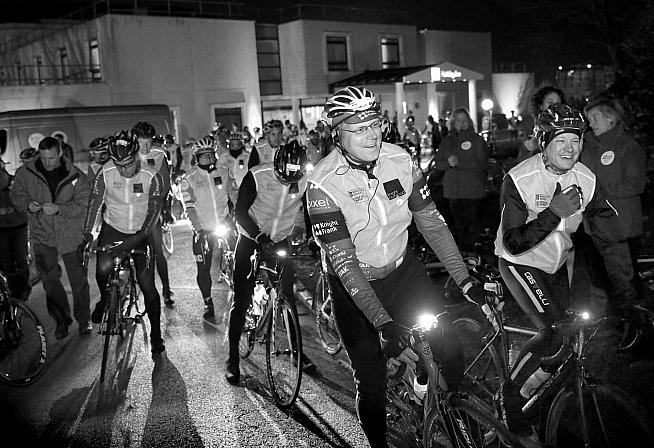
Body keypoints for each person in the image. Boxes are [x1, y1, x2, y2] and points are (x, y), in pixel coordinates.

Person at [308, 86, 485, 448]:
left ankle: (453, 418)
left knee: (449, 347)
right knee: (371, 381)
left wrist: (465, 280)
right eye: (359, 129)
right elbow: (345, 263)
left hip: (404, 272)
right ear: (337, 134)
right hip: (354, 284)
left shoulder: (400, 160)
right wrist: (382, 322)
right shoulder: (323, 184)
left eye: (375, 124)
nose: (372, 135)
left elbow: (432, 224)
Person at [494, 104, 641, 445]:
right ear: (544, 141)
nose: (569, 148)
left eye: (575, 140)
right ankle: (509, 397)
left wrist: (628, 297)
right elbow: (514, 242)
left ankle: (538, 395)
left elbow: (610, 233)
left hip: (558, 264)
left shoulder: (586, 179)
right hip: (520, 263)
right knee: (553, 332)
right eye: (560, 140)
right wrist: (553, 213)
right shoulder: (520, 179)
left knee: (571, 339)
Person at [225, 140, 316, 385]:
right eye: (284, 178)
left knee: (287, 294)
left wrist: (312, 238)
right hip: (251, 238)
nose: (289, 183)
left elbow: (310, 210)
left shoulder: (306, 179)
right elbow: (240, 213)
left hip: (280, 240)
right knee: (242, 299)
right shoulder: (257, 176)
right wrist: (259, 238)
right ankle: (232, 358)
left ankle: (297, 352)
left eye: (294, 178)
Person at [79, 130, 166, 354]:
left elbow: (154, 211)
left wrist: (138, 238)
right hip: (113, 227)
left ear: (136, 156)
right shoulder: (106, 172)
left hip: (141, 231)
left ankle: (156, 334)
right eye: (118, 165)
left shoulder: (151, 175)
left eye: (127, 164)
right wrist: (87, 235)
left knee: (147, 286)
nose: (123, 170)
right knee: (102, 270)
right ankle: (105, 299)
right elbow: (95, 205)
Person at [11, 137, 91, 339]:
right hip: (42, 235)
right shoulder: (25, 173)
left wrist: (59, 209)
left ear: (61, 153)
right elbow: (16, 196)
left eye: (52, 158)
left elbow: (84, 205)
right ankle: (61, 321)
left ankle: (84, 321)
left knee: (78, 281)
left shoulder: (76, 175)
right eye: (44, 158)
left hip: (71, 235)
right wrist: (27, 205)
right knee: (50, 281)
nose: (47, 162)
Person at [581, 97, 648, 294]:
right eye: (589, 119)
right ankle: (606, 313)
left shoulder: (627, 146)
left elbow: (636, 183)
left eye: (595, 117)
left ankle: (632, 311)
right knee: (600, 281)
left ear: (611, 118)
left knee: (624, 283)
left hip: (620, 228)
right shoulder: (587, 147)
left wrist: (599, 191)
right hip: (593, 228)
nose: (591, 123)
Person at [180, 137, 236, 318]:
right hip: (203, 228)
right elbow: (189, 207)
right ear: (197, 158)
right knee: (203, 267)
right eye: (204, 156)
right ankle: (207, 302)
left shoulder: (224, 172)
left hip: (224, 221)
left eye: (211, 155)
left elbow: (233, 194)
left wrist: (238, 213)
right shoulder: (189, 179)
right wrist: (198, 229)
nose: (208, 159)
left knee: (241, 256)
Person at [432, 108, 489, 253]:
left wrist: (460, 163)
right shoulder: (447, 141)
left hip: (472, 191)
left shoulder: (477, 140)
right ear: (453, 122)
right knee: (457, 228)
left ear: (469, 122)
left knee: (471, 229)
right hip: (453, 192)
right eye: (458, 120)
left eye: (464, 120)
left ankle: (473, 257)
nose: (461, 123)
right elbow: (438, 163)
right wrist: (448, 163)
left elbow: (482, 164)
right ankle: (461, 257)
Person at [132, 121, 174, 307]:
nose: (146, 147)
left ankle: (166, 289)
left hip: (152, 207)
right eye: (142, 143)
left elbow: (165, 181)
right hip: (132, 209)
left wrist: (158, 203)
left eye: (149, 142)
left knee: (157, 250)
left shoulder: (158, 154)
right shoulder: (128, 153)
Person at [0, 157, 31, 301]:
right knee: (5, 261)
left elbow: (24, 201)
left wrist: (13, 209)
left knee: (19, 258)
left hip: (18, 226)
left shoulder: (15, 182)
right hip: (2, 228)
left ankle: (23, 289)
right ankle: (13, 290)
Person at [516, 86, 566, 164]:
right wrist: (531, 146)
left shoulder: (566, 124)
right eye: (550, 102)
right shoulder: (530, 124)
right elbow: (523, 156)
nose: (555, 106)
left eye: (558, 102)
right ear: (540, 106)